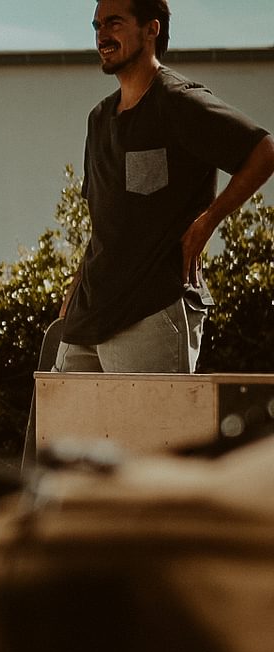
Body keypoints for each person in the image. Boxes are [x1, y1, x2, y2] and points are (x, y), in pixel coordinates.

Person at [57, 0, 274, 373]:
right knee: (63, 432)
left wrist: (207, 222)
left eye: (114, 23)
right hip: (88, 317)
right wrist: (77, 286)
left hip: (153, 312)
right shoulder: (99, 119)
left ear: (151, 29)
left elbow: (264, 151)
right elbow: (105, 223)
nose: (102, 35)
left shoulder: (178, 102)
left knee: (150, 433)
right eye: (96, 26)